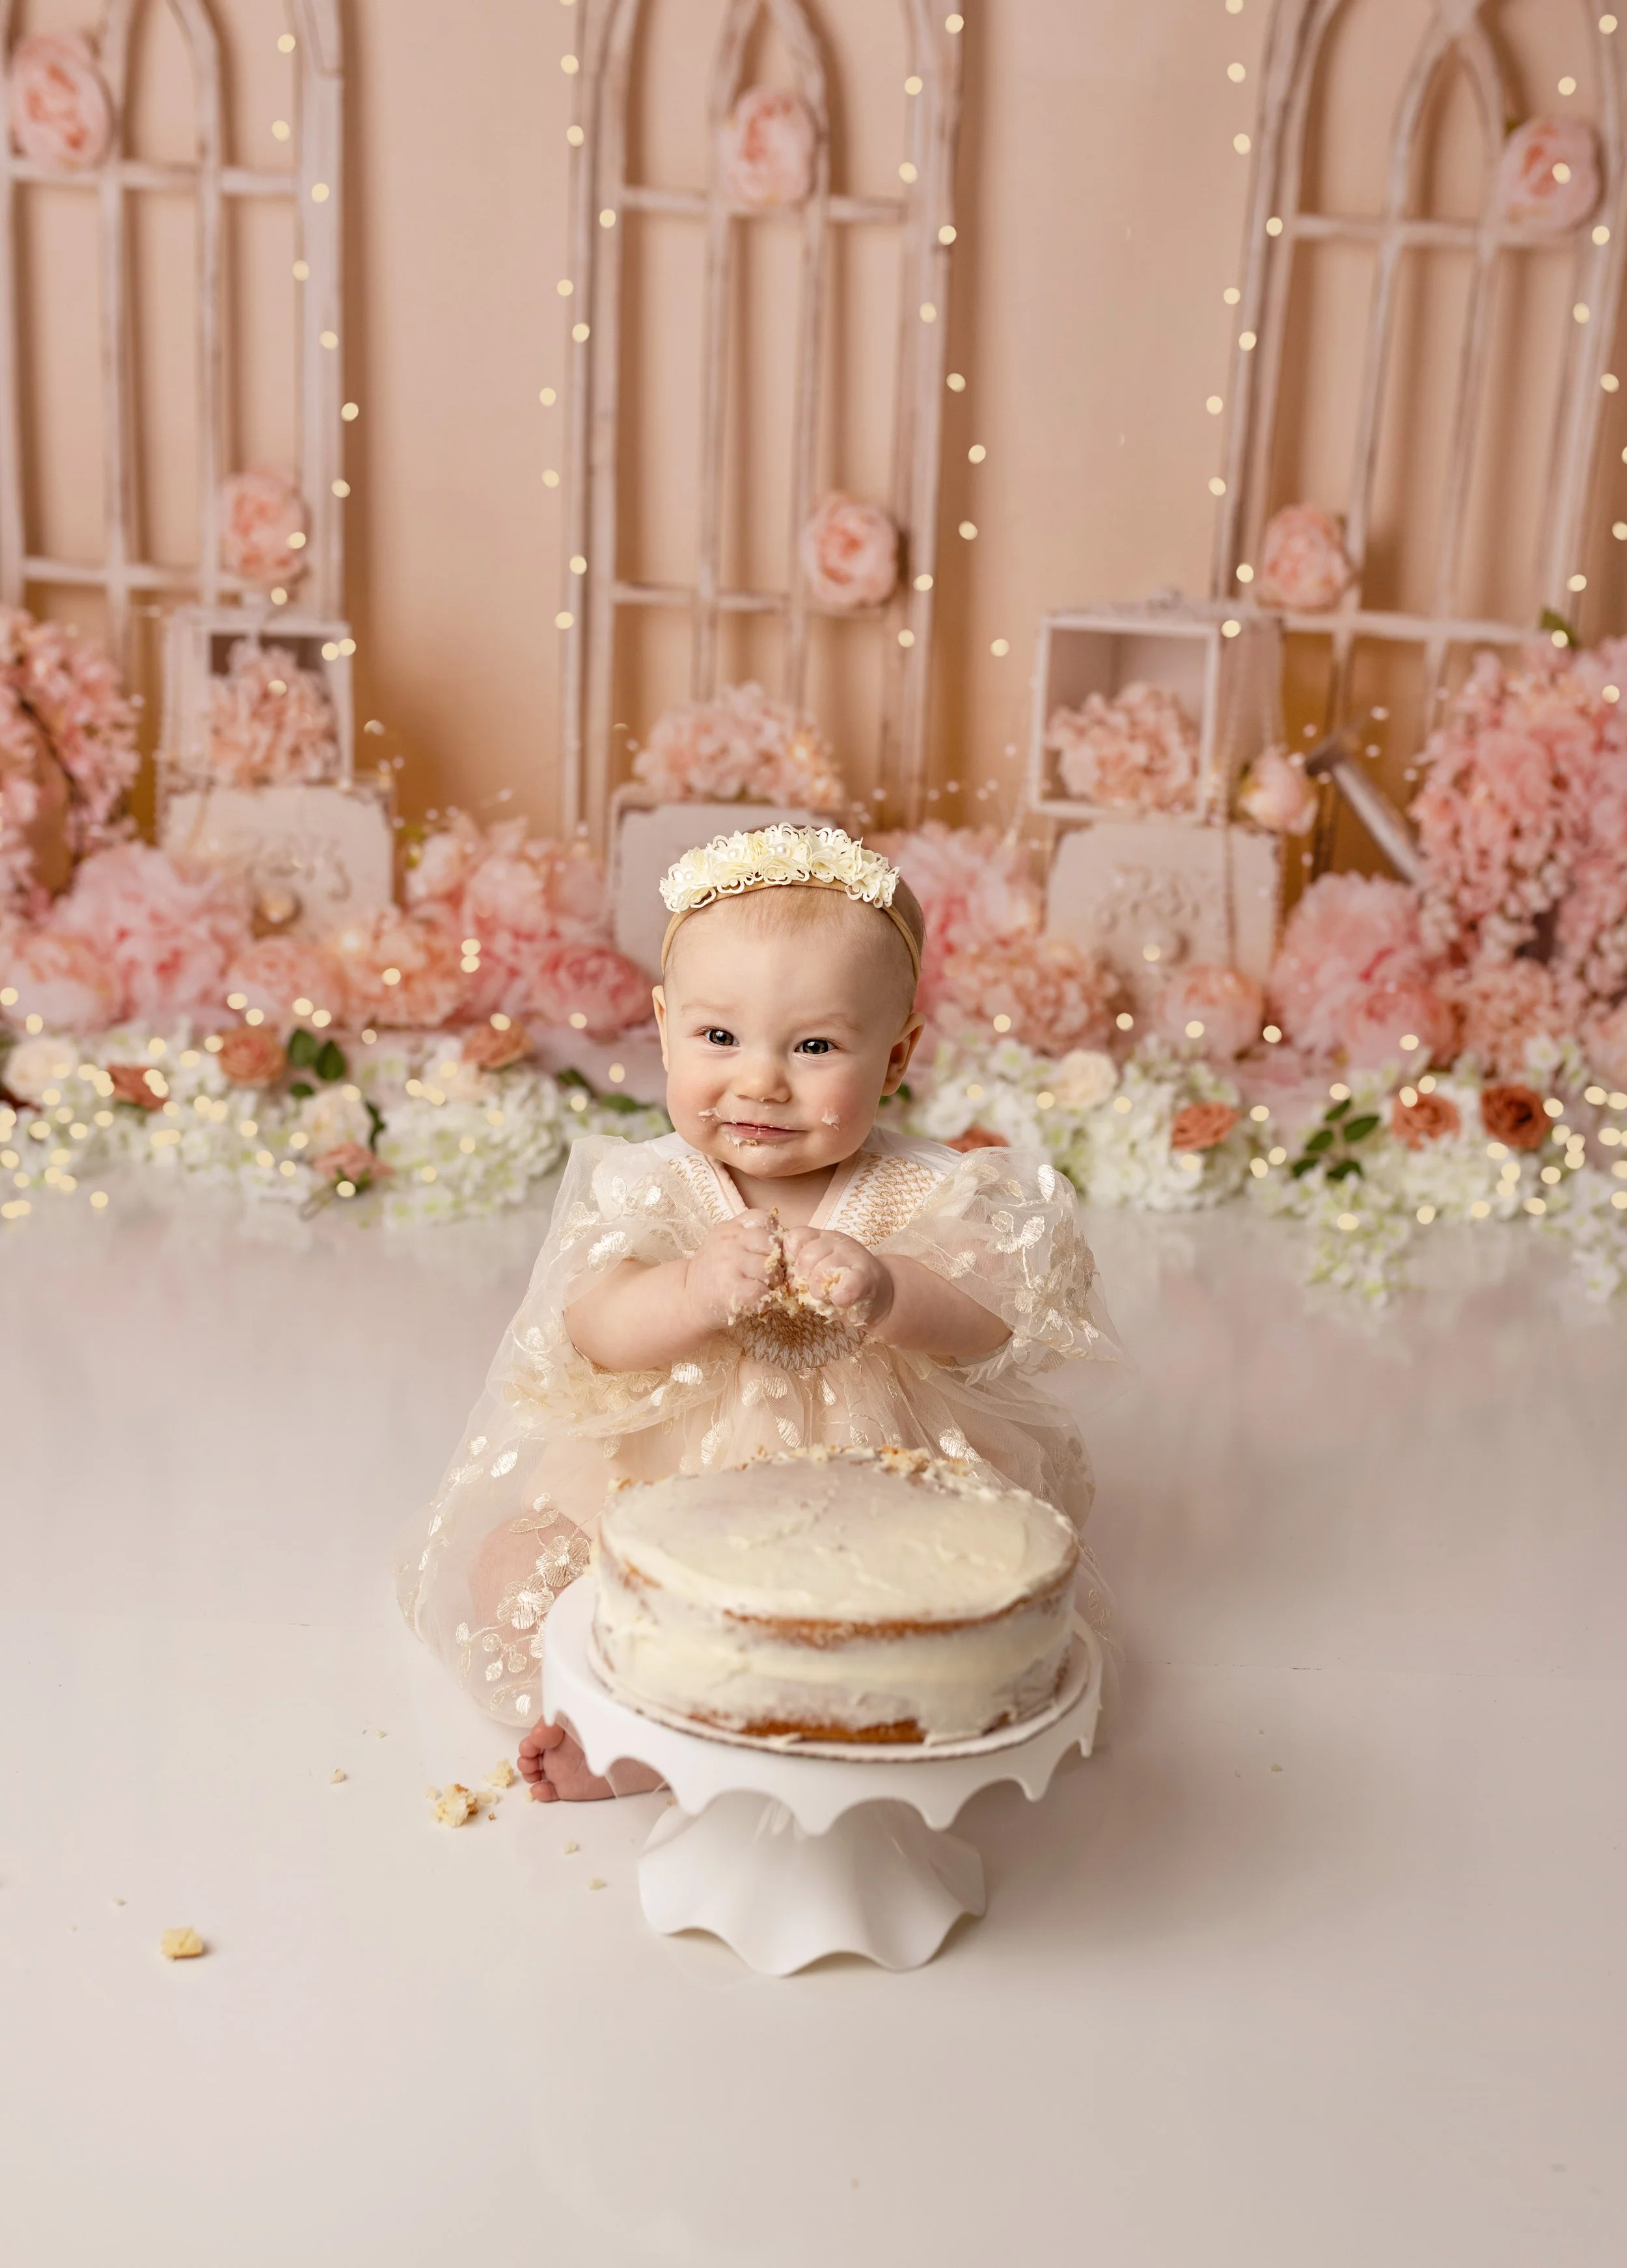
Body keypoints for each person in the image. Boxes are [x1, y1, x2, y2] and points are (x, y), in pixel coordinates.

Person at [395, 824, 1120, 1799]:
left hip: (866, 1488)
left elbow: (994, 1314)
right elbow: (592, 1328)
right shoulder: (653, 1186)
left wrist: (894, 1289)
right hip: (661, 1481)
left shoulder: (920, 1190)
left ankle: (865, 1718)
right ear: (663, 1027)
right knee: (520, 1562)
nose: (761, 1080)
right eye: (719, 1037)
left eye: (815, 1045)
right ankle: (618, 1732)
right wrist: (690, 1292)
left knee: (931, 1606)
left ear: (897, 1055)